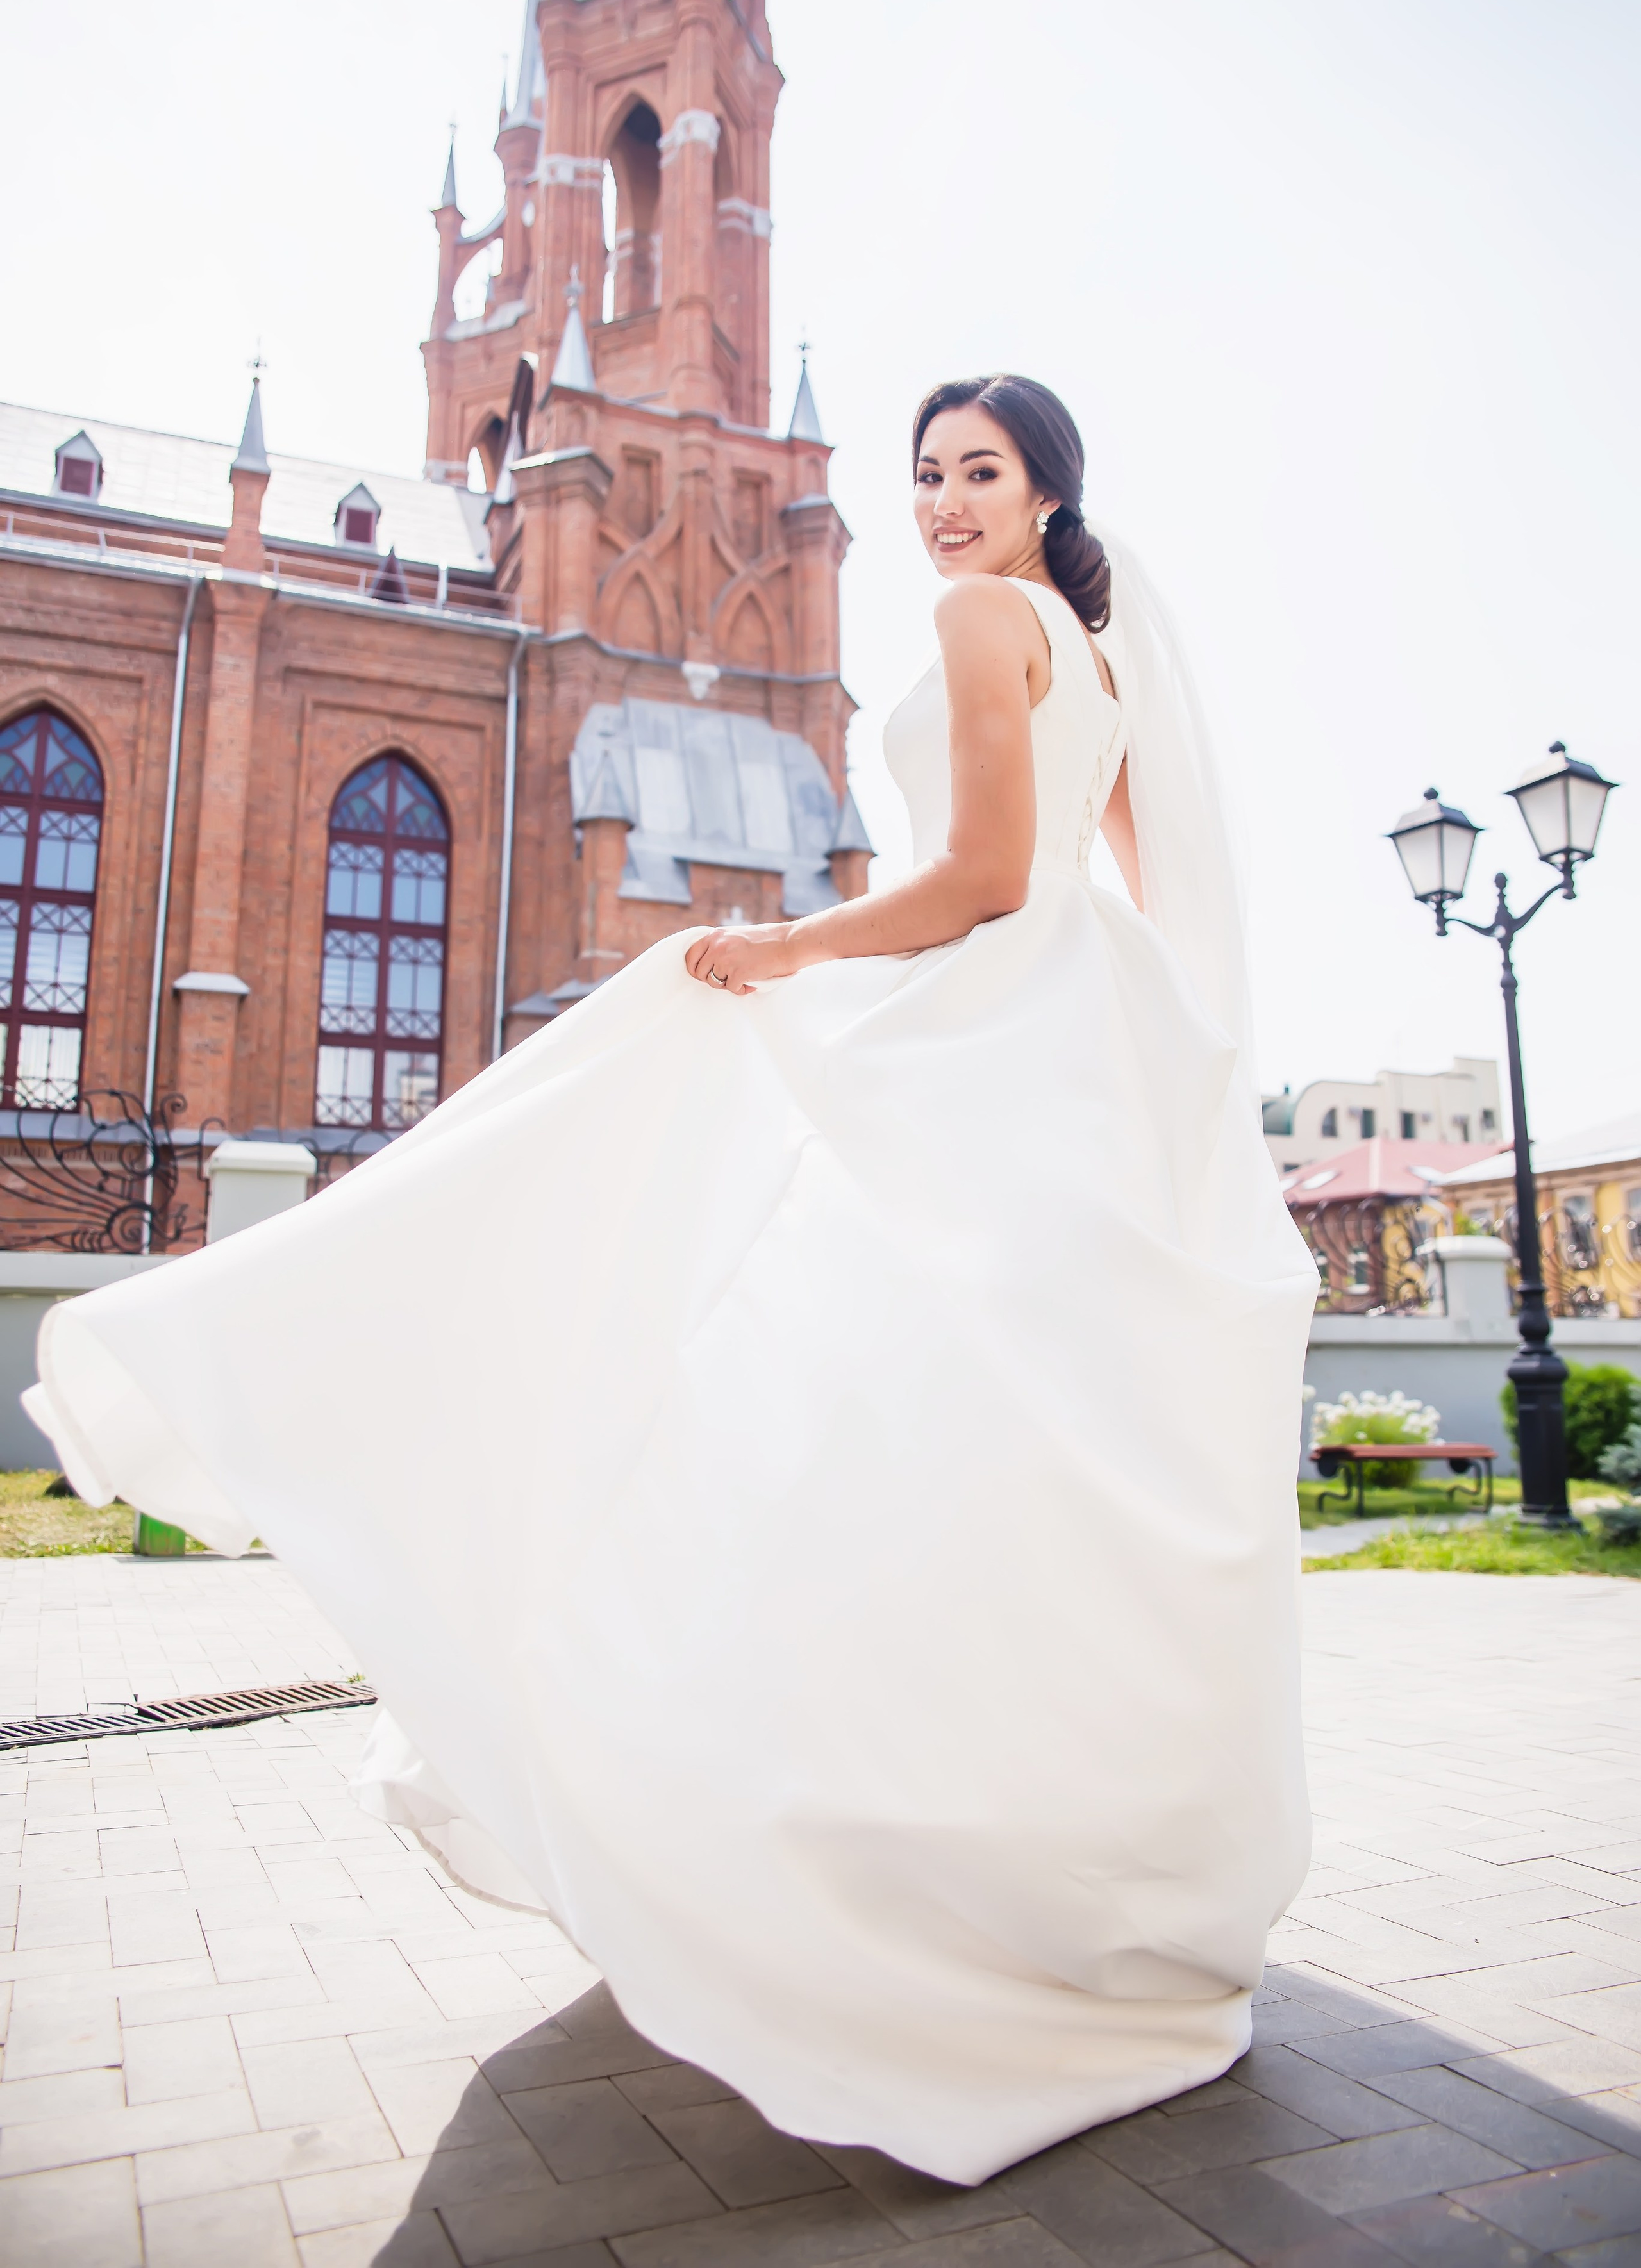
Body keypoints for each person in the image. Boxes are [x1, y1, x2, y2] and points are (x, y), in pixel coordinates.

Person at [24, 374, 1317, 2187]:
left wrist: (790, 938)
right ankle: (1042, 1865)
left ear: (1044, 493)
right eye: (928, 472)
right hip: (1072, 1054)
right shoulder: (1091, 645)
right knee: (1017, 1454)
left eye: (983, 473)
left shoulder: (973, 614)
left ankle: (761, 1792)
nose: (946, 501)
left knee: (756, 1271)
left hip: (988, 1026)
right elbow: (1109, 873)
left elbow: (986, 876)